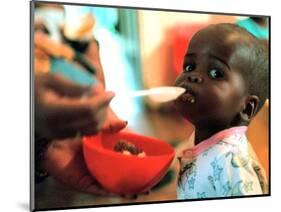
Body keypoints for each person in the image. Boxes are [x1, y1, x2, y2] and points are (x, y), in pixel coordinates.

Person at [173, 23, 268, 199]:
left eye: (216, 73)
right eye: (189, 66)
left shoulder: (233, 165)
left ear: (246, 107)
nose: (192, 76)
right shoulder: (202, 136)